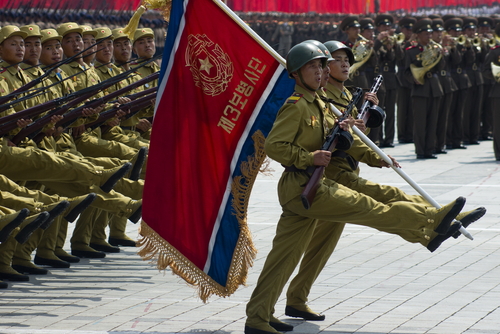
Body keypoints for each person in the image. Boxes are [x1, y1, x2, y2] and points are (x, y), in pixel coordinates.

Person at [244, 40, 478, 334]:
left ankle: (258, 317)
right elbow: (275, 146)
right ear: (296, 73)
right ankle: (432, 220)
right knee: (373, 208)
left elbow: (347, 139)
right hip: (303, 185)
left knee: (284, 257)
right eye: (313, 67)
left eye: (320, 66)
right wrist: (308, 157)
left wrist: (374, 156)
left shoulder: (319, 104)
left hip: (311, 187)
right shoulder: (297, 107)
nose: (320, 72)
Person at [404, 18, 445, 159]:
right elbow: (406, 72)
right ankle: (420, 151)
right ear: (419, 35)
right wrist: (413, 79)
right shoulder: (411, 51)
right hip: (420, 89)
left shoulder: (435, 49)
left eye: (430, 34)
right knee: (420, 122)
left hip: (434, 87)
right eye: (426, 34)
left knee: (433, 121)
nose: (429, 36)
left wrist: (442, 55)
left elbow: (440, 68)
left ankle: (430, 149)